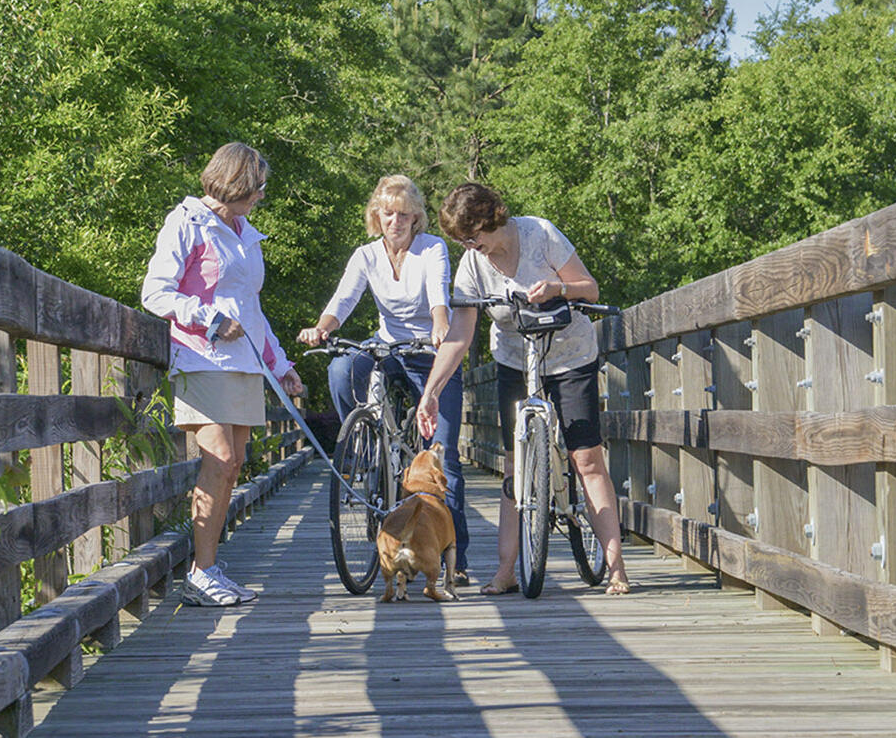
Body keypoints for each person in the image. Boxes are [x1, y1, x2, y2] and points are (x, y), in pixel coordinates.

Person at [414, 182, 630, 595]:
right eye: (462, 241)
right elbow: (459, 334)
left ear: (491, 218)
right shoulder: (473, 264)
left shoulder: (540, 234)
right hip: (515, 359)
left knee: (586, 459)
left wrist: (557, 289)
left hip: (570, 355)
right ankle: (506, 570)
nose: (470, 246)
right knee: (514, 466)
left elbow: (590, 288)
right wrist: (431, 392)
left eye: (473, 236)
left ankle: (616, 567)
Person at [142, 142, 304, 607]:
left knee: (233, 466)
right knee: (219, 459)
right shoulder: (187, 222)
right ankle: (200, 574)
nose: (261, 195)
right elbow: (155, 292)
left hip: (244, 364)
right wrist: (208, 319)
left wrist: (280, 365)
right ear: (235, 183)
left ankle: (208, 568)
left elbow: (251, 309)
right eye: (256, 187)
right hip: (202, 358)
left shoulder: (244, 232)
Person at [298, 175, 471, 582]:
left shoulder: (432, 248)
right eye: (388, 214)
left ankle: (457, 559)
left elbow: (438, 294)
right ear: (377, 216)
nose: (396, 222)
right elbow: (343, 298)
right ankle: (363, 442)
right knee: (342, 367)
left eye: (404, 215)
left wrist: (441, 324)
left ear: (416, 218)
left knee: (444, 453)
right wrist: (322, 327)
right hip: (388, 347)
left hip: (429, 351)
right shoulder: (366, 255)